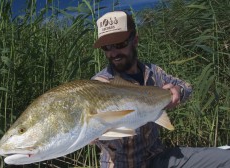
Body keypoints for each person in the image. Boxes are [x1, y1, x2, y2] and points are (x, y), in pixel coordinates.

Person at [91, 11, 230, 168]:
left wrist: (178, 91)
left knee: (226, 158)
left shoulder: (153, 72)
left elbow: (187, 86)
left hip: (159, 158)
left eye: (119, 44)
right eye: (106, 47)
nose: (113, 53)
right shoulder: (99, 86)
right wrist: (92, 135)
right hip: (122, 165)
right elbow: (91, 131)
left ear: (135, 40)